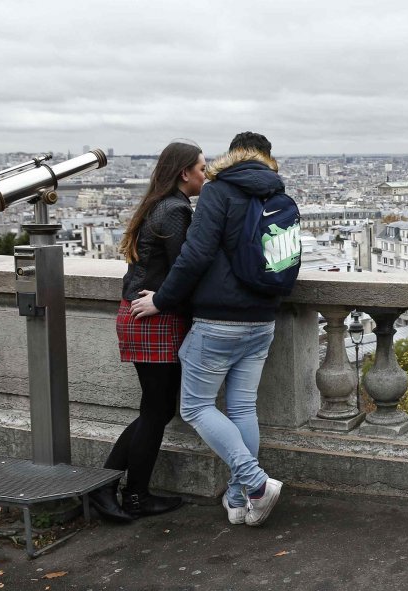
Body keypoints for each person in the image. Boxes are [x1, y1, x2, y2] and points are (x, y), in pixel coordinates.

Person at [129, 132, 285, 527]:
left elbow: (194, 255)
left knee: (195, 406)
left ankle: (254, 483)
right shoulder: (278, 194)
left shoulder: (218, 191)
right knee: (242, 407)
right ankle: (237, 499)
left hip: (219, 318)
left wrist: (161, 300)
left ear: (232, 156)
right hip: (263, 317)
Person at [88, 140, 205, 522]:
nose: (206, 174)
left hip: (140, 315)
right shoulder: (176, 210)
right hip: (155, 318)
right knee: (156, 411)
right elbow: (184, 270)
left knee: (154, 410)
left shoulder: (158, 204)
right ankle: (130, 493)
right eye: (202, 168)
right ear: (184, 172)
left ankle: (111, 487)